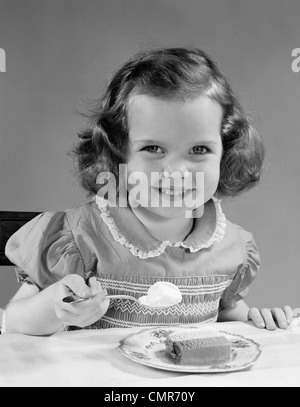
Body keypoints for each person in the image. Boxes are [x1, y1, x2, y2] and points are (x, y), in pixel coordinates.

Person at [3, 47, 293, 336]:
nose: (176, 172)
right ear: (118, 152)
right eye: (153, 148)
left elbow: (227, 313)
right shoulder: (81, 237)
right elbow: (15, 322)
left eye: (199, 149)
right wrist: (55, 307)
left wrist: (257, 322)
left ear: (225, 152)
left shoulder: (231, 246)